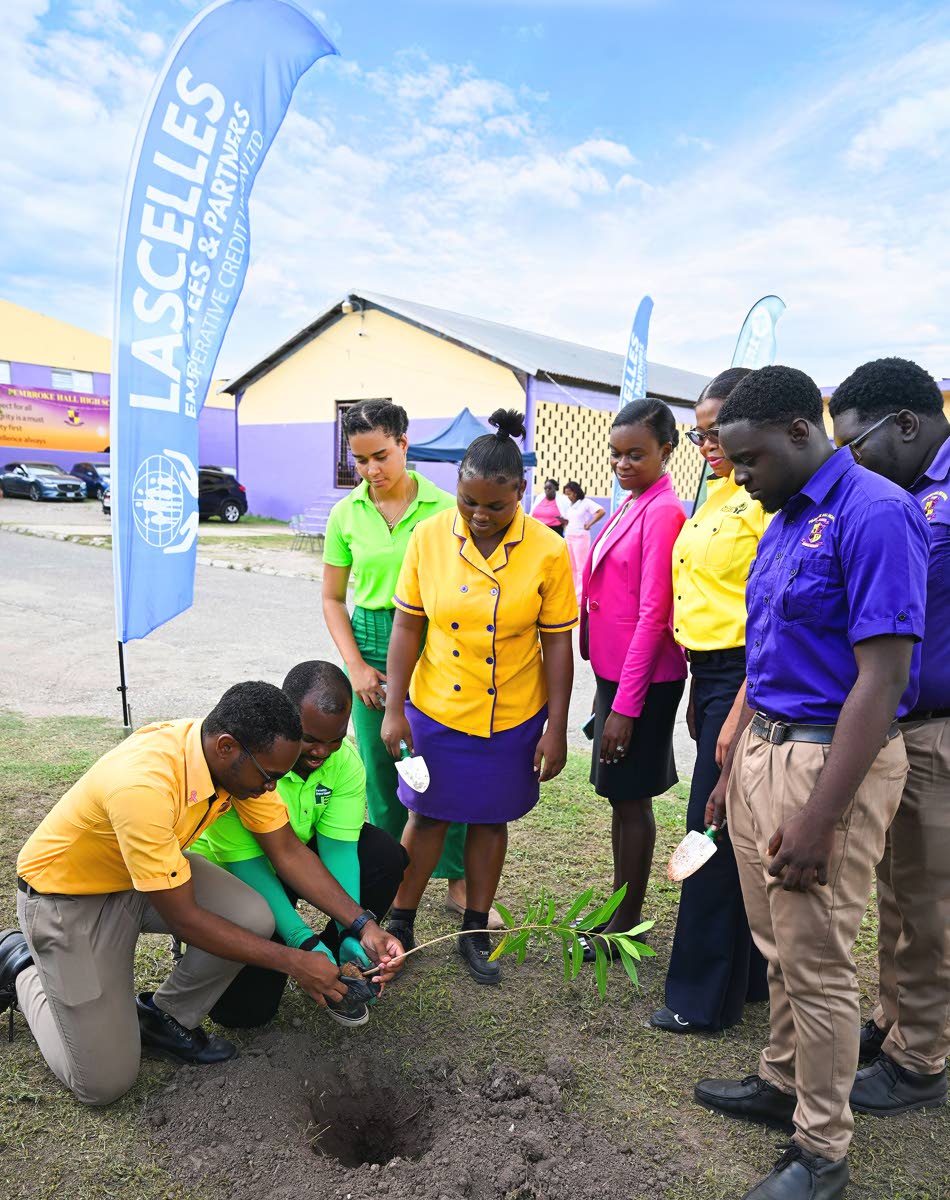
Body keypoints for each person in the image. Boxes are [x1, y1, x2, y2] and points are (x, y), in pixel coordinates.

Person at [695, 366, 930, 1200]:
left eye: (748, 461)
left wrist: (824, 815)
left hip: (830, 763)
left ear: (801, 432)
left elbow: (883, 677)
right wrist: (734, 761)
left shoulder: (877, 513)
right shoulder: (789, 516)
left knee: (820, 960)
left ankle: (822, 1151)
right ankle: (781, 1077)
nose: (741, 479)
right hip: (767, 752)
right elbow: (769, 651)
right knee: (778, 945)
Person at [0, 682, 403, 1106]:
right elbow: (186, 920)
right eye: (269, 779)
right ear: (228, 747)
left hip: (144, 877)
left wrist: (363, 923)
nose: (272, 790)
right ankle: (21, 965)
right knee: (103, 1083)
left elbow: (287, 852)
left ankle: (164, 1016)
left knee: (252, 913)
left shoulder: (231, 759)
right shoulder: (143, 786)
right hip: (68, 900)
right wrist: (296, 960)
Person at [380, 409, 577, 985]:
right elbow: (407, 627)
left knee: (491, 821)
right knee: (428, 815)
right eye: (469, 502)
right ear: (458, 490)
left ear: (522, 491)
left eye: (496, 505)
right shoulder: (430, 537)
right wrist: (395, 708)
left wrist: (556, 727)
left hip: (513, 713)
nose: (480, 516)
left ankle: (473, 929)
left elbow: (558, 646)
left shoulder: (547, 550)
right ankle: (402, 922)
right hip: (438, 706)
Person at [322, 399, 501, 928]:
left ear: (404, 443)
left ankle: (457, 883)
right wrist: (355, 666)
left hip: (434, 644)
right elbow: (333, 598)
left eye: (380, 455)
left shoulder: (449, 508)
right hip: (371, 640)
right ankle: (395, 887)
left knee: (442, 764)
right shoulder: (346, 514)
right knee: (384, 771)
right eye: (360, 460)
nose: (371, 471)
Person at [829, 357, 950, 1115]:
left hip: (939, 733)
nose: (852, 463)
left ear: (905, 425)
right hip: (900, 728)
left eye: (857, 445)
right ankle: (893, 1018)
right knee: (898, 894)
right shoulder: (903, 496)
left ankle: (921, 1059)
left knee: (932, 904)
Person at [188, 662, 409, 1029]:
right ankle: (297, 958)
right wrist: (301, 941)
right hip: (244, 878)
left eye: (334, 739)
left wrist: (350, 930)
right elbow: (250, 865)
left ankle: (335, 962)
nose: (322, 752)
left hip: (297, 863)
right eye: (310, 739)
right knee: (245, 1014)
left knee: (384, 856)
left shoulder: (345, 763)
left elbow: (339, 849)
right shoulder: (247, 770)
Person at [651, 368, 770, 1035]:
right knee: (728, 827)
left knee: (712, 828)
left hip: (748, 674)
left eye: (716, 430)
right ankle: (746, 982)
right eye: (698, 435)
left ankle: (699, 999)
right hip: (712, 673)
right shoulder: (716, 494)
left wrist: (733, 697)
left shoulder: (762, 499)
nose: (707, 445)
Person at [579, 399, 687, 959]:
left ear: (666, 449)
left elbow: (654, 613)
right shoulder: (630, 502)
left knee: (633, 797)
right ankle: (620, 907)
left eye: (636, 454)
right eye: (616, 454)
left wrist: (625, 706)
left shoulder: (664, 510)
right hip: (615, 672)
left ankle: (628, 921)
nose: (623, 463)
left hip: (640, 680)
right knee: (620, 796)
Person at [562, 481, 605, 603]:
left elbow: (601, 511)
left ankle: (580, 597)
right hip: (569, 535)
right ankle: (573, 594)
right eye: (566, 494)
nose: (568, 496)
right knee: (572, 567)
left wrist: (590, 523)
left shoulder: (586, 503)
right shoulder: (571, 506)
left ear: (575, 493)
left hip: (581, 536)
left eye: (569, 493)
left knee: (581, 568)